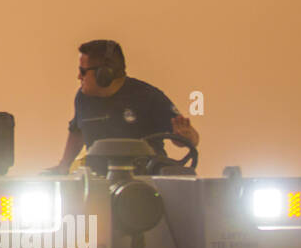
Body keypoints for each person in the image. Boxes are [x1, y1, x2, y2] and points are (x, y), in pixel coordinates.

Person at [47, 39, 199, 173]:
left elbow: (186, 138)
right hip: (98, 187)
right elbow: (77, 131)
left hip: (144, 186)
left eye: (83, 71)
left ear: (104, 74)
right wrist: (64, 165)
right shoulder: (83, 98)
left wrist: (187, 136)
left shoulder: (148, 96)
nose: (79, 77)